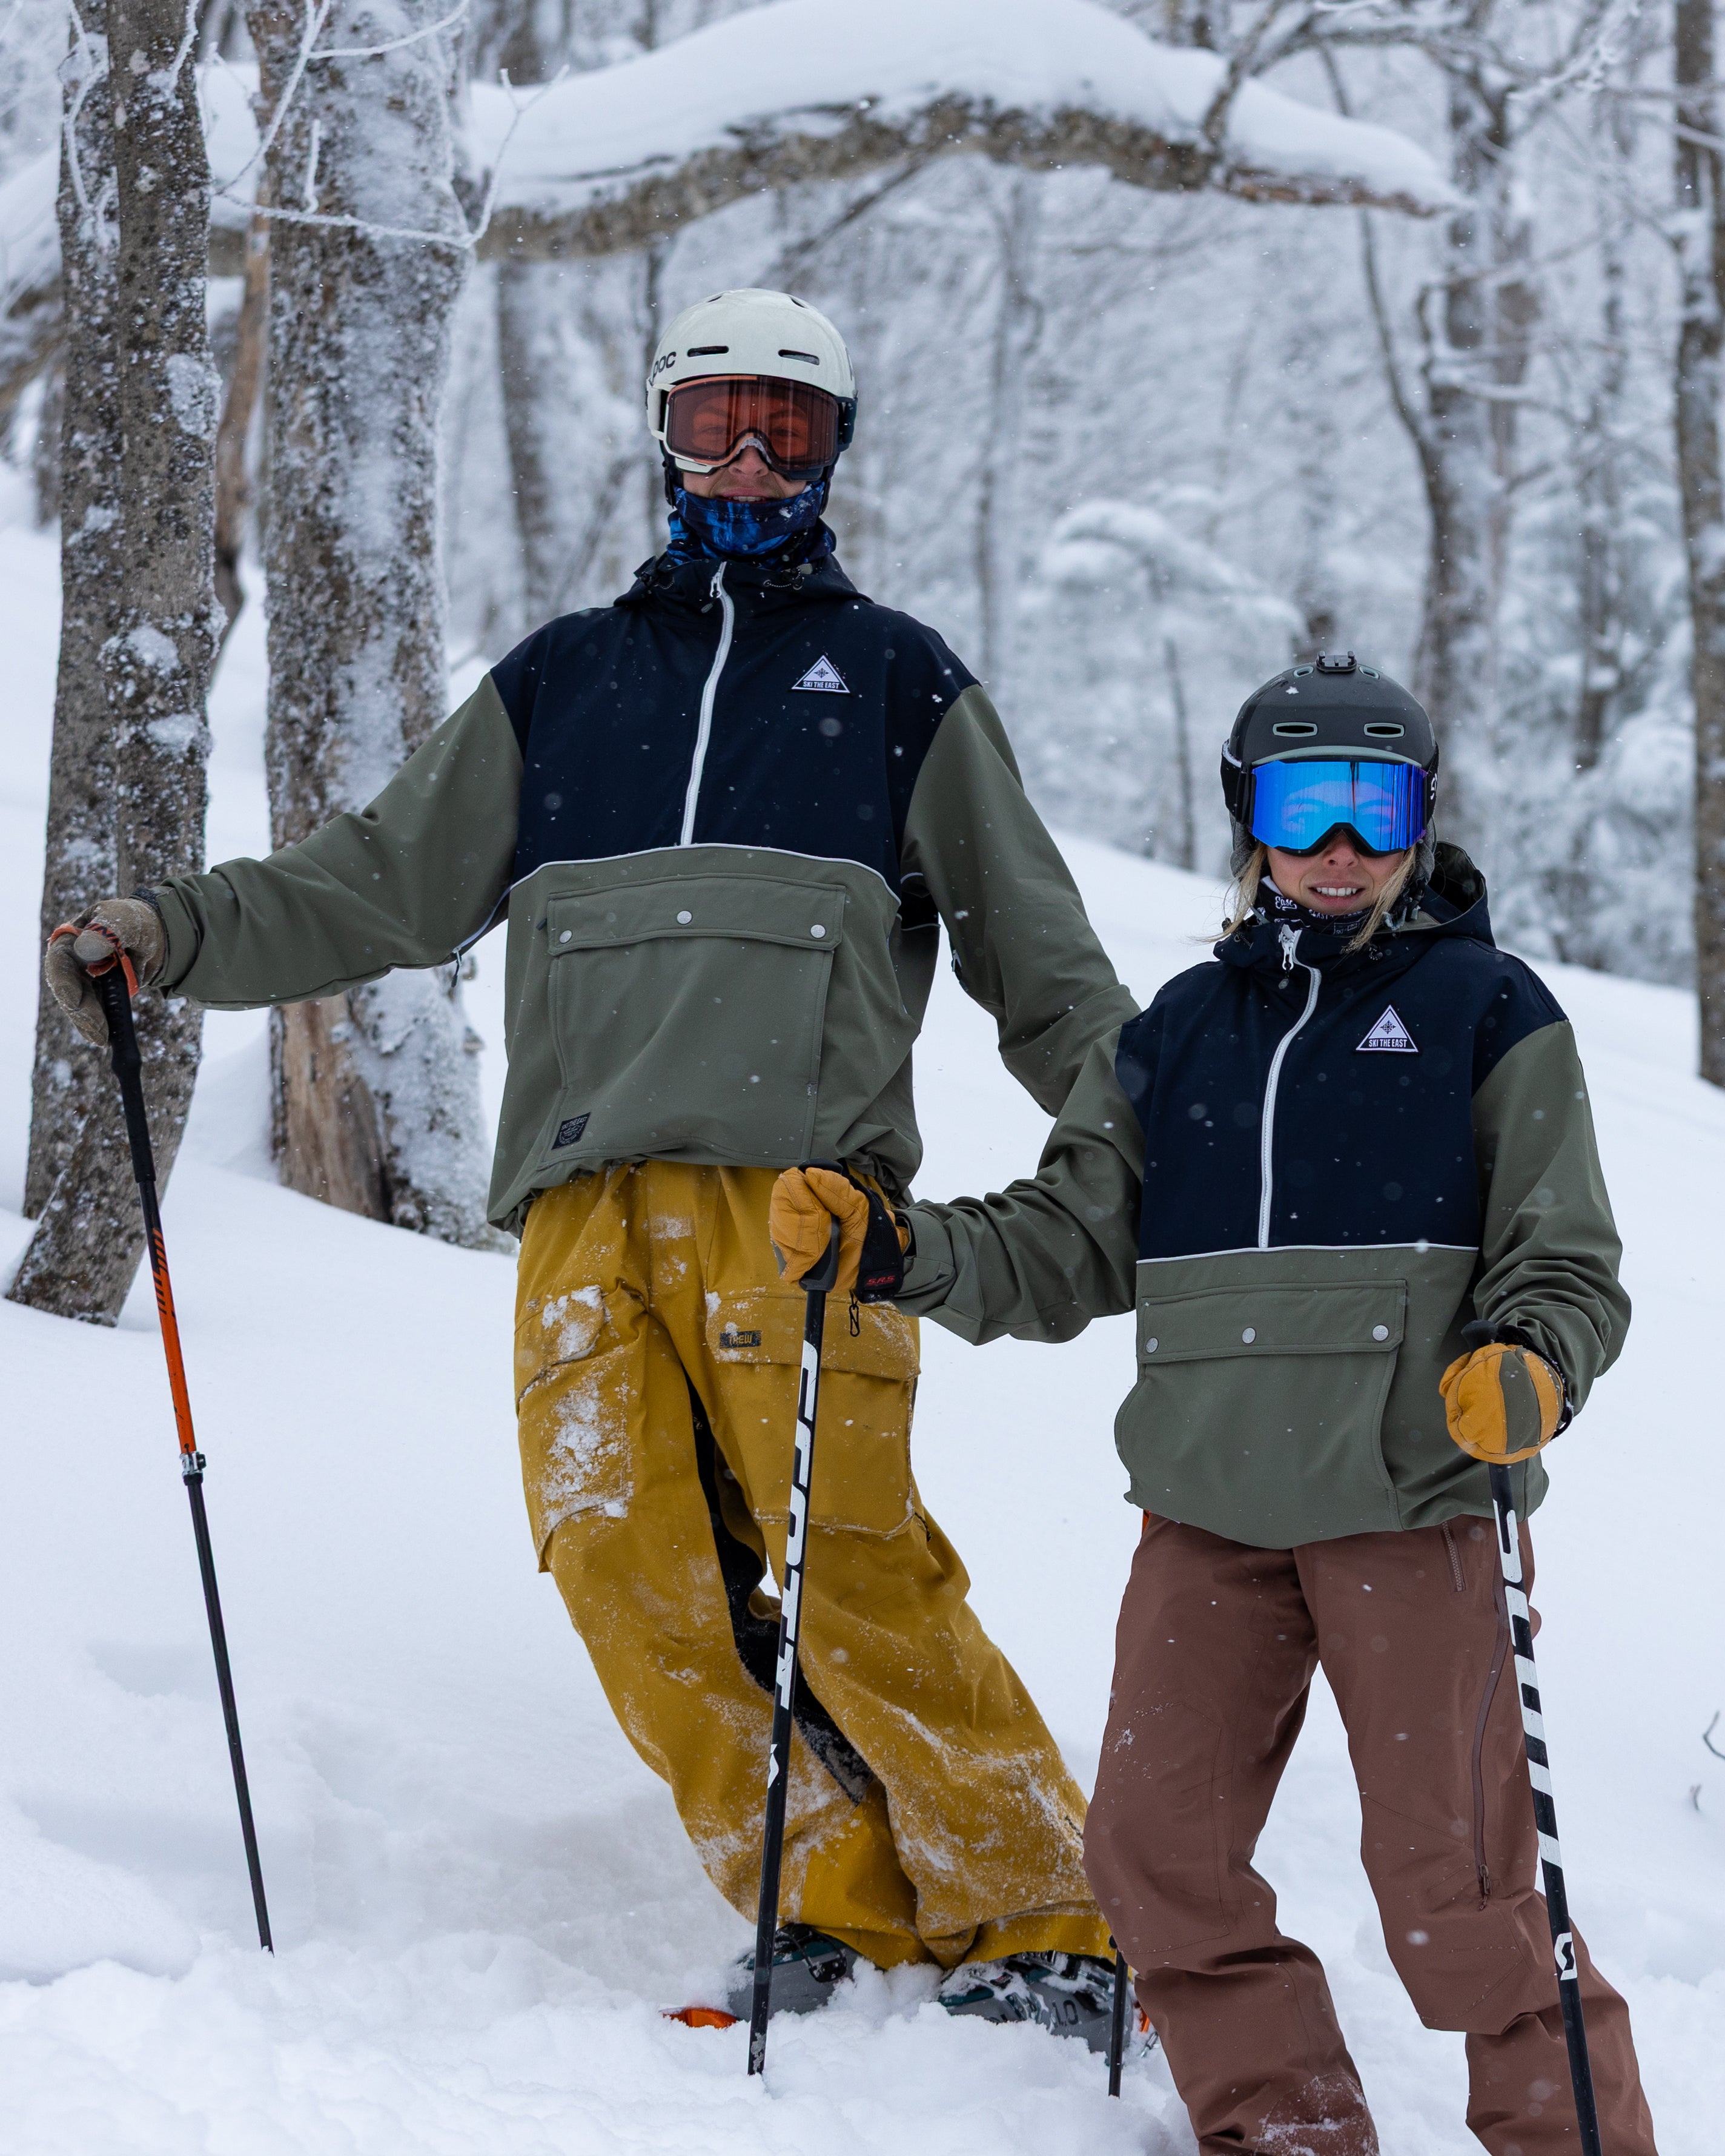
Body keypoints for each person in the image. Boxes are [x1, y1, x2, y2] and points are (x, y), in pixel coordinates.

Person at [45, 289, 1137, 2037]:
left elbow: (1048, 970)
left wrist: (1164, 1133)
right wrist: (176, 933)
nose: (747, 460)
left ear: (834, 449)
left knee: (852, 1560)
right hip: (578, 1210)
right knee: (623, 1566)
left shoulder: (898, 685)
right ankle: (824, 1907)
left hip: (799, 1211)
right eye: (713, 421)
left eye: (786, 425)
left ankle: (1042, 1914)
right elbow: (374, 884)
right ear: (663, 438)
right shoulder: (562, 682)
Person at [772, 652, 1660, 2148]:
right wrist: (897, 1250)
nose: (1338, 849)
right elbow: (1065, 1242)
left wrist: (1532, 1359)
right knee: (1154, 1853)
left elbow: (1565, 1259)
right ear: (1249, 817)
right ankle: (1284, 2124)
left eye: (1374, 808)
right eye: (1304, 807)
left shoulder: (1485, 1007)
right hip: (1206, 1518)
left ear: (1420, 819)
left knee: (1456, 1894)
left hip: (1413, 1508)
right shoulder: (1179, 1029)